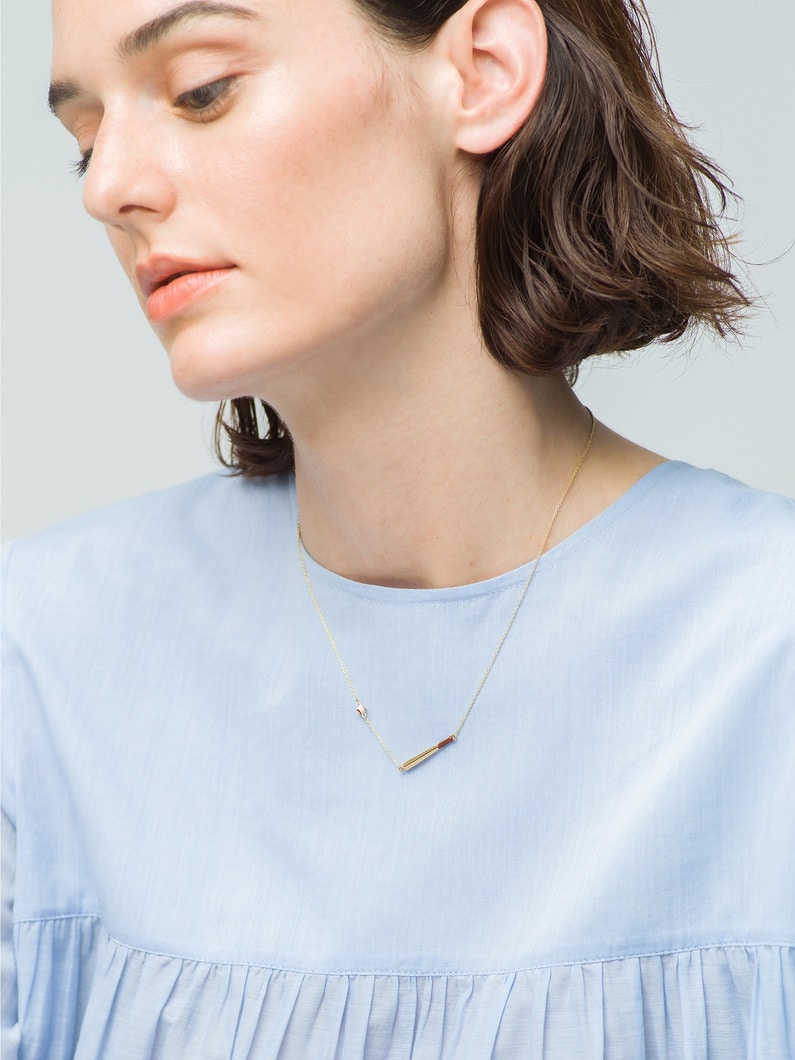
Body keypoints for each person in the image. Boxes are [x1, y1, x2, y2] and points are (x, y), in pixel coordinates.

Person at [2, 0, 793, 1055]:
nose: (108, 188)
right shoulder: (42, 661)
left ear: (484, 71)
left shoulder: (765, 659)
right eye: (86, 139)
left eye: (201, 91)